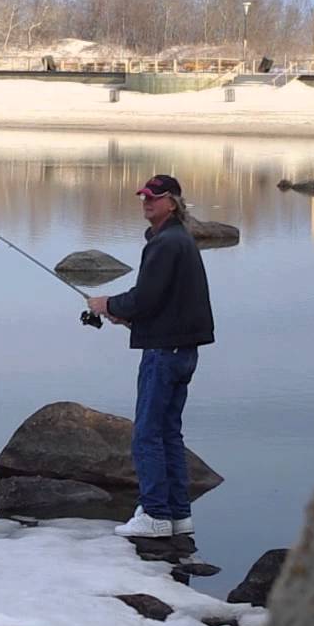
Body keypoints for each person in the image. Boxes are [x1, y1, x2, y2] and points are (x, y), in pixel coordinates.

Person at [86, 174, 215, 539]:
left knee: (147, 434)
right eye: (144, 197)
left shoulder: (167, 243)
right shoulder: (179, 240)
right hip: (181, 350)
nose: (146, 202)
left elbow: (145, 298)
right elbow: (165, 300)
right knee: (168, 432)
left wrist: (108, 304)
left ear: (172, 203)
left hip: (164, 354)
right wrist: (127, 315)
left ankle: (156, 514)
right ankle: (179, 515)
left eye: (154, 198)